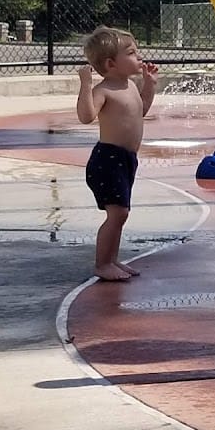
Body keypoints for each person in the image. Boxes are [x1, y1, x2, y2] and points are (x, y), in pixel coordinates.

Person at [76, 26, 159, 281]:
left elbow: (141, 109)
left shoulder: (131, 87)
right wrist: (86, 85)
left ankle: (111, 260)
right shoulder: (104, 91)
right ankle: (102, 264)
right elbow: (86, 116)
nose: (139, 57)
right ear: (111, 64)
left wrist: (149, 85)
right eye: (132, 53)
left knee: (120, 214)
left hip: (125, 160)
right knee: (118, 213)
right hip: (107, 160)